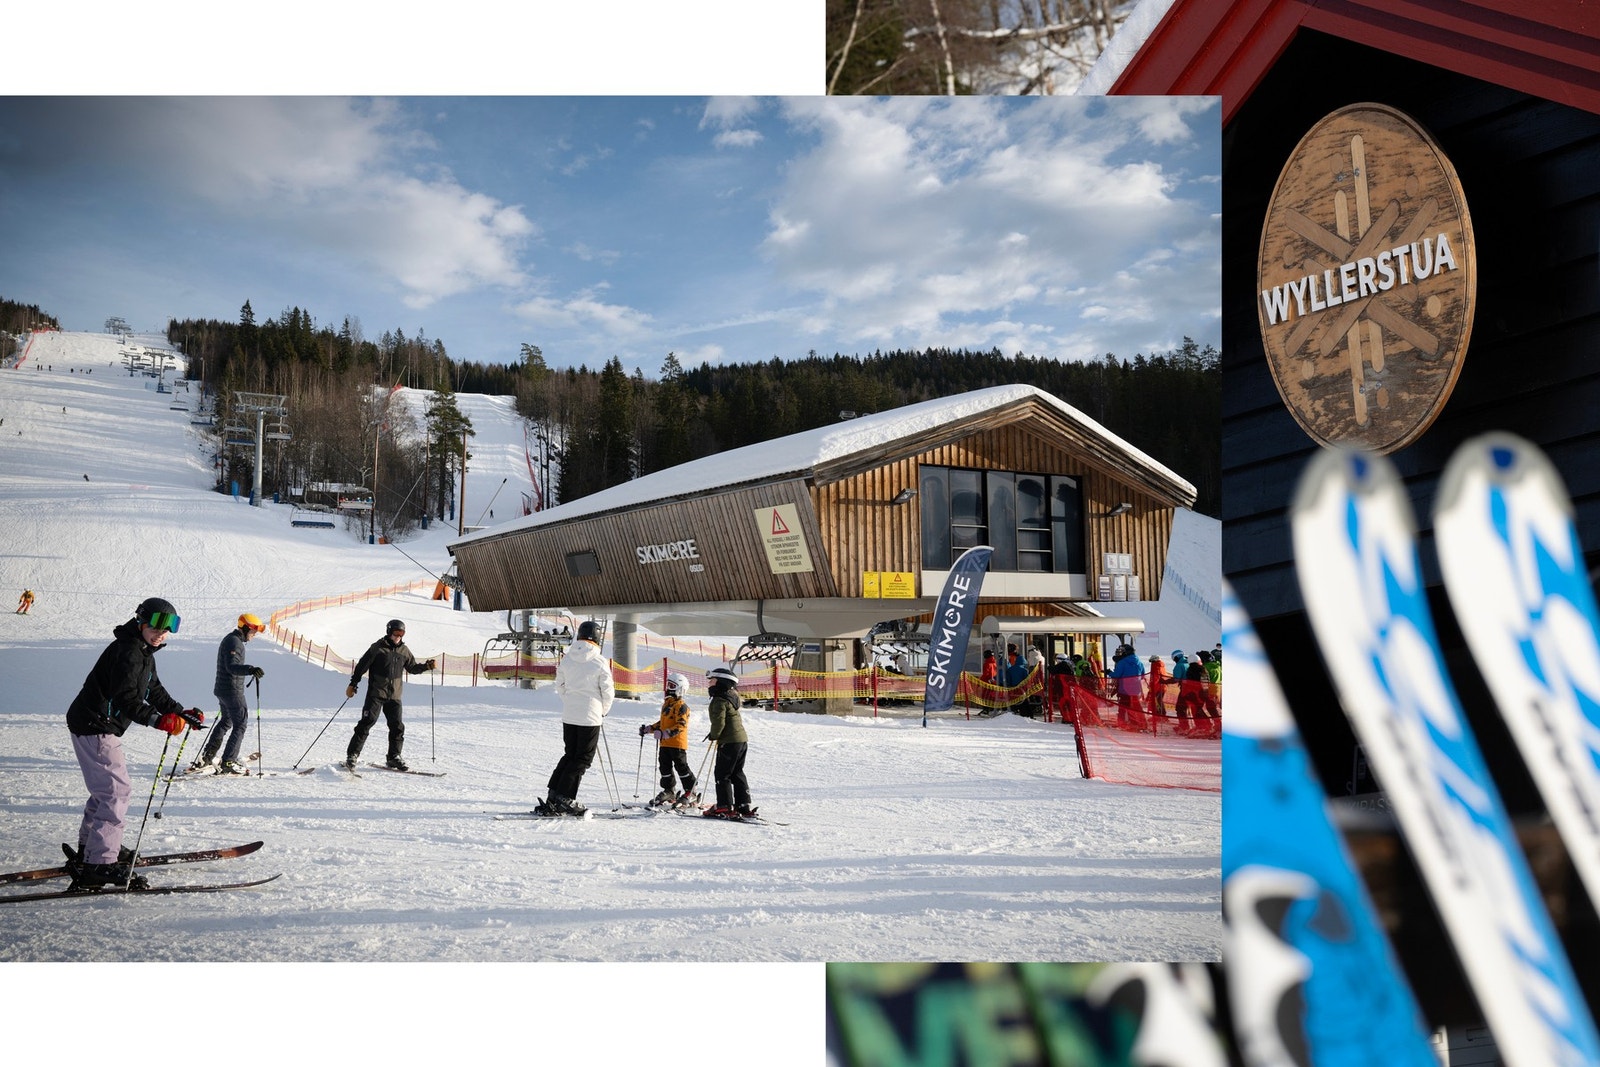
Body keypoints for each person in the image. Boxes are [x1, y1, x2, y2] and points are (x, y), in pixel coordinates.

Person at [65, 597, 204, 889]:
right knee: (116, 791)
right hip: (96, 725)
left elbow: (153, 689)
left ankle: (91, 848)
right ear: (141, 621)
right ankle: (99, 862)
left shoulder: (142, 651)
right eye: (156, 625)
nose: (162, 633)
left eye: (169, 627)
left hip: (93, 723)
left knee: (104, 791)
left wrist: (180, 712)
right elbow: (126, 698)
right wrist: (158, 720)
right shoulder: (128, 652)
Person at [535, 620, 614, 816]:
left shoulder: (568, 659)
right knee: (582, 759)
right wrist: (602, 711)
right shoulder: (599, 661)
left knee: (570, 755)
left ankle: (554, 794)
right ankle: (565, 797)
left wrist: (570, 701)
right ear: (597, 638)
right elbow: (607, 691)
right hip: (590, 716)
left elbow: (560, 685)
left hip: (570, 715)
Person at [343, 618, 435, 772]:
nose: (398, 637)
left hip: (394, 696)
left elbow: (412, 668)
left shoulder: (404, 651)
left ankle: (394, 757)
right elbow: (362, 666)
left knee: (397, 727)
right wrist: (353, 683)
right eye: (396, 633)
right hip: (376, 693)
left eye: (401, 634)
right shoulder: (377, 648)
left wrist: (426, 666)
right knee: (366, 723)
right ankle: (352, 755)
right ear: (389, 631)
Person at [191, 613, 266, 774]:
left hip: (224, 690)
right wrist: (250, 669)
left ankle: (208, 756)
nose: (254, 635)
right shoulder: (234, 642)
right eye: (253, 631)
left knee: (226, 721)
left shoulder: (232, 639)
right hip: (232, 691)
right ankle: (228, 761)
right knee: (240, 724)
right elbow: (231, 667)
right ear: (245, 628)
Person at [703, 666, 754, 818]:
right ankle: (743, 805)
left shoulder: (719, 700)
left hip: (729, 742)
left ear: (721, 683)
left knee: (722, 774)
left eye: (712, 681)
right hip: (741, 741)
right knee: (737, 772)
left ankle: (724, 806)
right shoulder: (731, 698)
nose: (709, 684)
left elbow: (719, 722)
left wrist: (714, 735)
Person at [640, 672, 697, 807]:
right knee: (664, 766)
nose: (668, 688)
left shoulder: (681, 706)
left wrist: (665, 733)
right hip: (665, 743)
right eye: (667, 685)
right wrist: (650, 729)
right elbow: (663, 723)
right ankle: (669, 790)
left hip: (677, 744)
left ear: (680, 689)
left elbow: (681, 725)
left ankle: (691, 791)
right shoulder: (667, 704)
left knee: (681, 767)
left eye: (671, 686)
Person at [1110, 644, 1148, 731]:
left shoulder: (1122, 662)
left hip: (1124, 689)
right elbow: (1142, 675)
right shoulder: (1139, 662)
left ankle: (1122, 723)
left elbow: (1117, 675)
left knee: (1123, 707)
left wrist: (1109, 672)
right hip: (1136, 690)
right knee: (1136, 707)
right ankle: (1140, 723)